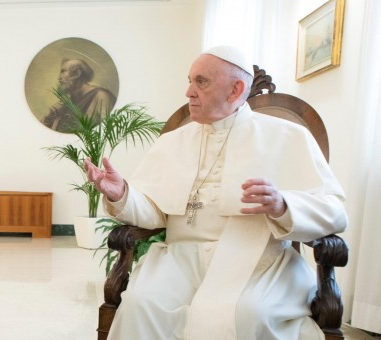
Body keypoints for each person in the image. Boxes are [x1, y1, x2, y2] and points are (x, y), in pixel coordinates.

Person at [84, 46, 348, 339]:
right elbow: (154, 211)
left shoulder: (288, 136)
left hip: (257, 259)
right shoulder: (173, 142)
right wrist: (121, 194)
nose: (188, 92)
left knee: (247, 314)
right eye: (189, 80)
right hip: (179, 259)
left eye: (201, 81)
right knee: (140, 304)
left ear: (235, 90)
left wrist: (283, 206)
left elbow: (333, 209)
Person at [42, 58, 116, 132]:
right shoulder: (65, 104)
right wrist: (50, 116)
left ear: (77, 74)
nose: (59, 78)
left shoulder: (101, 97)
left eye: (63, 71)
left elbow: (107, 131)